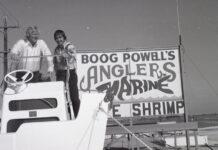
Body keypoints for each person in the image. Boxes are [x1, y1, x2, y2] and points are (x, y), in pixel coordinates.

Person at [53, 29, 80, 118]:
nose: (58, 40)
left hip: (70, 73)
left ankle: (78, 116)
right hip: (60, 74)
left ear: (64, 37)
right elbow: (55, 63)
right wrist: (56, 73)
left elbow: (73, 56)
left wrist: (67, 55)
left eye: (60, 37)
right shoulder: (56, 50)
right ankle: (68, 117)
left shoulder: (69, 46)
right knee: (64, 97)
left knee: (74, 97)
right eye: (56, 38)